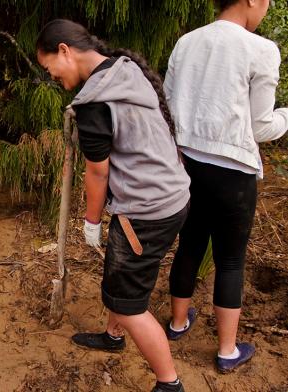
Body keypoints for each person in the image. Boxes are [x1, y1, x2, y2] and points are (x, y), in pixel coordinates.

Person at [36, 19, 191, 392]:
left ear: (64, 51)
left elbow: (98, 174)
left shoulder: (94, 102)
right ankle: (113, 335)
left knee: (128, 302)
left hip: (145, 210)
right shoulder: (123, 70)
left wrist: (91, 221)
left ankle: (169, 382)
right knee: (122, 279)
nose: (51, 77)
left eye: (49, 68)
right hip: (171, 195)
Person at [164, 0, 288, 373]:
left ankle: (177, 323)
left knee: (189, 244)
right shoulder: (260, 48)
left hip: (187, 164)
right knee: (230, 260)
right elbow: (262, 127)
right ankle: (227, 351)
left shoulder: (187, 42)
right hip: (232, 173)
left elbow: (167, 105)